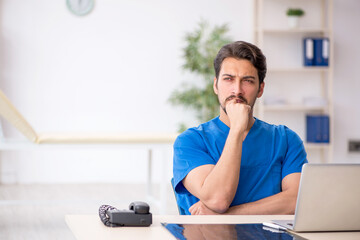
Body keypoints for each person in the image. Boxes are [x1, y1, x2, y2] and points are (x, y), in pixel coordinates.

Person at [172, 41, 308, 215]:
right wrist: (237, 128)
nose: (237, 90)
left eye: (248, 81)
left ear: (260, 89)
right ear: (215, 85)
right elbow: (218, 199)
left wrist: (230, 215)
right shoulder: (190, 141)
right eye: (228, 79)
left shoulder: (286, 139)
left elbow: (296, 201)